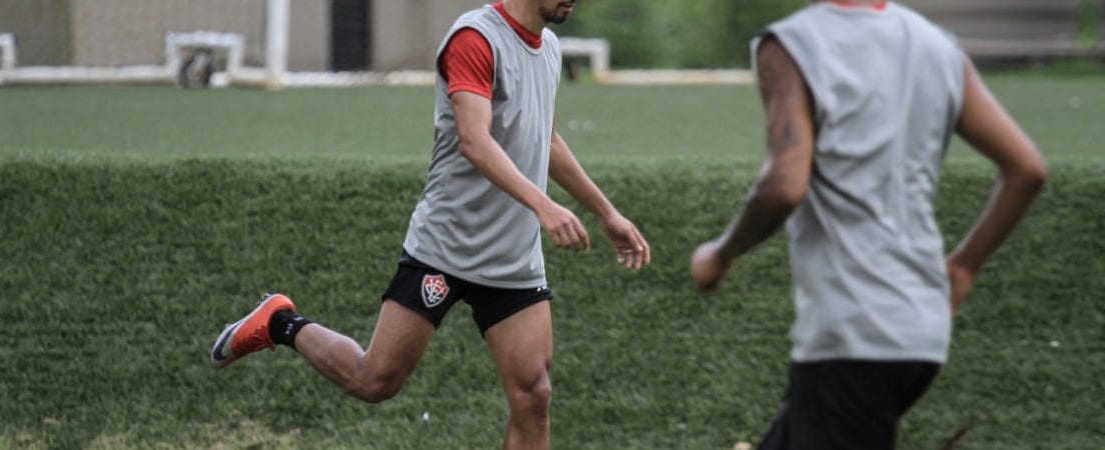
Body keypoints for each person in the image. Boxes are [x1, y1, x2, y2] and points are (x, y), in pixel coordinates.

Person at [209, 1, 650, 448]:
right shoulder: (475, 39)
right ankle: (280, 321)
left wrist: (606, 212)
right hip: (447, 246)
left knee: (534, 395)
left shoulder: (549, 47)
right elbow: (474, 141)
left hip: (513, 256)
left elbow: (547, 139)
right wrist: (544, 206)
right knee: (375, 380)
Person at [690, 1, 1047, 448]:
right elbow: (1027, 169)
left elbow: (783, 186)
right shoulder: (938, 46)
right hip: (921, 330)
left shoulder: (792, 45)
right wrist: (964, 267)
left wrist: (720, 255)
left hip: (853, 332)